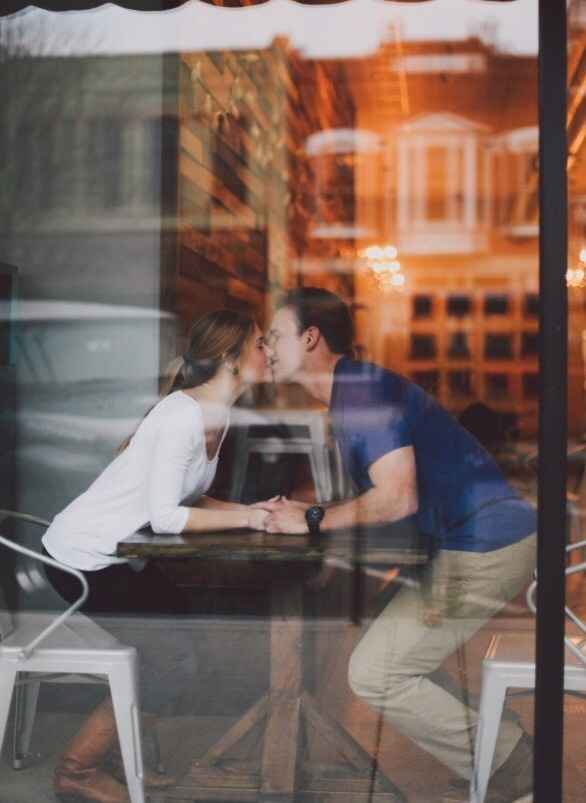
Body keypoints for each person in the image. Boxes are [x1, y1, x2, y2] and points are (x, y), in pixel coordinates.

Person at [258, 287, 537, 803]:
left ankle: (515, 764)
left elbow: (396, 498)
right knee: (394, 648)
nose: (265, 346)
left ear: (311, 337)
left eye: (275, 334)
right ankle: (498, 747)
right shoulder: (354, 391)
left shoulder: (361, 395)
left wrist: (313, 520)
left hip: (484, 550)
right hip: (475, 544)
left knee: (375, 672)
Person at [42, 309, 269, 803]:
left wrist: (253, 511)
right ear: (231, 358)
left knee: (183, 635)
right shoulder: (182, 415)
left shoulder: (217, 413)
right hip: (80, 558)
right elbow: (167, 517)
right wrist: (248, 520)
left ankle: (123, 755)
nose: (268, 352)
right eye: (259, 344)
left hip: (117, 556)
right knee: (172, 660)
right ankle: (76, 771)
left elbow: (189, 497)